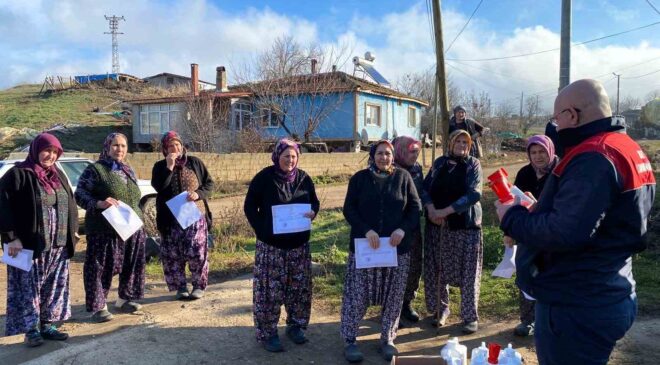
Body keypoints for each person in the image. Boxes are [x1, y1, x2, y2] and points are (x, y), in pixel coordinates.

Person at [496, 79, 655, 365]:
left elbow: (564, 233)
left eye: (557, 118)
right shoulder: (628, 148)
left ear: (572, 115)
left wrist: (512, 217)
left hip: (577, 302)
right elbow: (598, 219)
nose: (555, 127)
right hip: (611, 286)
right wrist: (542, 210)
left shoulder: (593, 155)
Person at [340, 139, 421, 363]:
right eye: (380, 153)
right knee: (357, 294)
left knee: (393, 296)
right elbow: (349, 209)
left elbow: (415, 208)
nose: (384, 157)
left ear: (393, 156)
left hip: (395, 250)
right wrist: (366, 230)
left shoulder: (403, 178)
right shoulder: (359, 179)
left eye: (388, 153)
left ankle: (387, 338)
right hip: (365, 248)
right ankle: (350, 340)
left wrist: (403, 230)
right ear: (373, 155)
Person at [0, 133, 78, 347]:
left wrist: (73, 231)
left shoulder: (57, 175)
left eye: (55, 152)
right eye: (47, 150)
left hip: (57, 244)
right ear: (35, 150)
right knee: (29, 288)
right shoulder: (18, 174)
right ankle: (31, 329)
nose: (50, 156)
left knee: (53, 285)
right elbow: (3, 206)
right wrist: (10, 237)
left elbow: (69, 202)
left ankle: (47, 324)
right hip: (28, 245)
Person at [244, 139, 320, 353]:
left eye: (294, 156)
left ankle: (295, 326)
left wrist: (314, 212)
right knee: (270, 291)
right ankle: (268, 333)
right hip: (272, 247)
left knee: (299, 288)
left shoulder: (304, 179)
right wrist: (262, 230)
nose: (290, 160)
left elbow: (314, 202)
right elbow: (250, 207)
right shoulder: (264, 178)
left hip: (299, 246)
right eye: (286, 156)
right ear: (277, 156)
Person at [75, 132, 146, 323]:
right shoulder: (95, 170)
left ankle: (124, 299)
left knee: (130, 265)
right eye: (115, 145)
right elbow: (79, 194)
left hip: (130, 228)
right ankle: (99, 306)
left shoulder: (128, 170)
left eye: (123, 146)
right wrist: (98, 203)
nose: (119, 149)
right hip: (103, 230)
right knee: (100, 268)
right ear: (107, 146)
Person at [422, 129, 483, 334]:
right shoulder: (439, 163)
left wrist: (445, 212)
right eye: (458, 142)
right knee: (436, 269)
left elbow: (474, 193)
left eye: (466, 143)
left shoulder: (473, 164)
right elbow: (424, 189)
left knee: (468, 272)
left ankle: (469, 316)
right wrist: (431, 209)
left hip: (465, 227)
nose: (462, 146)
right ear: (450, 144)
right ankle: (440, 310)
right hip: (437, 227)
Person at [504, 135, 559, 337]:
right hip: (528, 233)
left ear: (550, 151)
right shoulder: (525, 173)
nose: (538, 157)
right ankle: (527, 321)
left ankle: (549, 321)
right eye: (533, 152)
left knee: (550, 276)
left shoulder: (560, 172)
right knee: (525, 274)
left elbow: (566, 205)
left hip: (552, 234)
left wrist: (539, 207)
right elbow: (514, 203)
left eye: (542, 151)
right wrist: (509, 231)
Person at [151, 131, 214, 300]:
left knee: (197, 252)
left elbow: (209, 184)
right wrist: (169, 167)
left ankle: (198, 285)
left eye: (177, 144)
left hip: (194, 218)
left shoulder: (195, 163)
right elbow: (159, 187)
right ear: (165, 148)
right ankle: (180, 287)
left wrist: (198, 194)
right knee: (173, 255)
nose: (175, 148)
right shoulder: (159, 167)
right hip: (170, 220)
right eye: (171, 146)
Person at [392, 136, 427, 324]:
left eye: (417, 151)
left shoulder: (417, 170)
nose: (415, 155)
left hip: (412, 227)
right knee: (393, 267)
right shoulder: (389, 169)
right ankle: (391, 306)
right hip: (393, 227)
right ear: (401, 150)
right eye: (411, 151)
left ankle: (406, 303)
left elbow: (422, 193)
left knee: (414, 265)